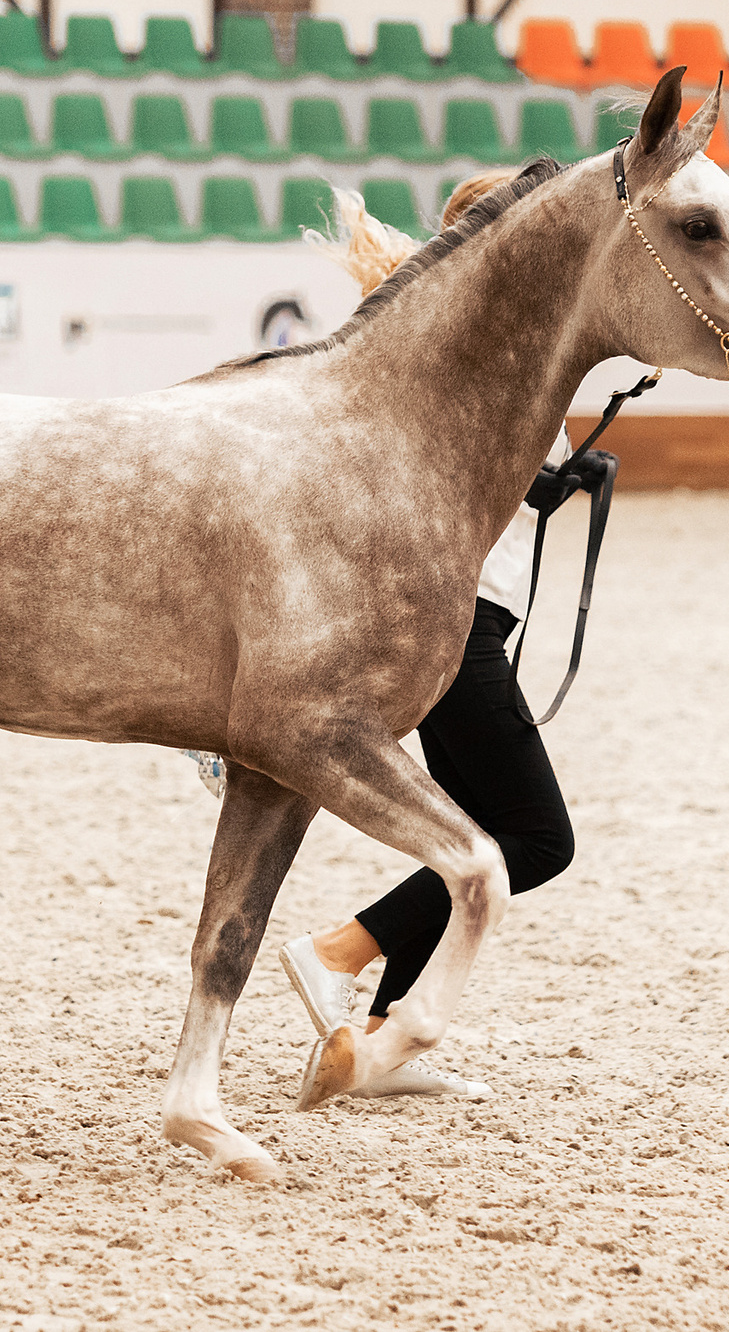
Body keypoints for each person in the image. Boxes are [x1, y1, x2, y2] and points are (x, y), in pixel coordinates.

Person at [274, 172, 579, 1100]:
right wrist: (549, 475)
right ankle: (337, 950)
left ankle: (373, 1044)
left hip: (469, 610)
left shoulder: (490, 337)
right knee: (538, 837)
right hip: (462, 617)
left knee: (469, 829)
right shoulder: (479, 343)